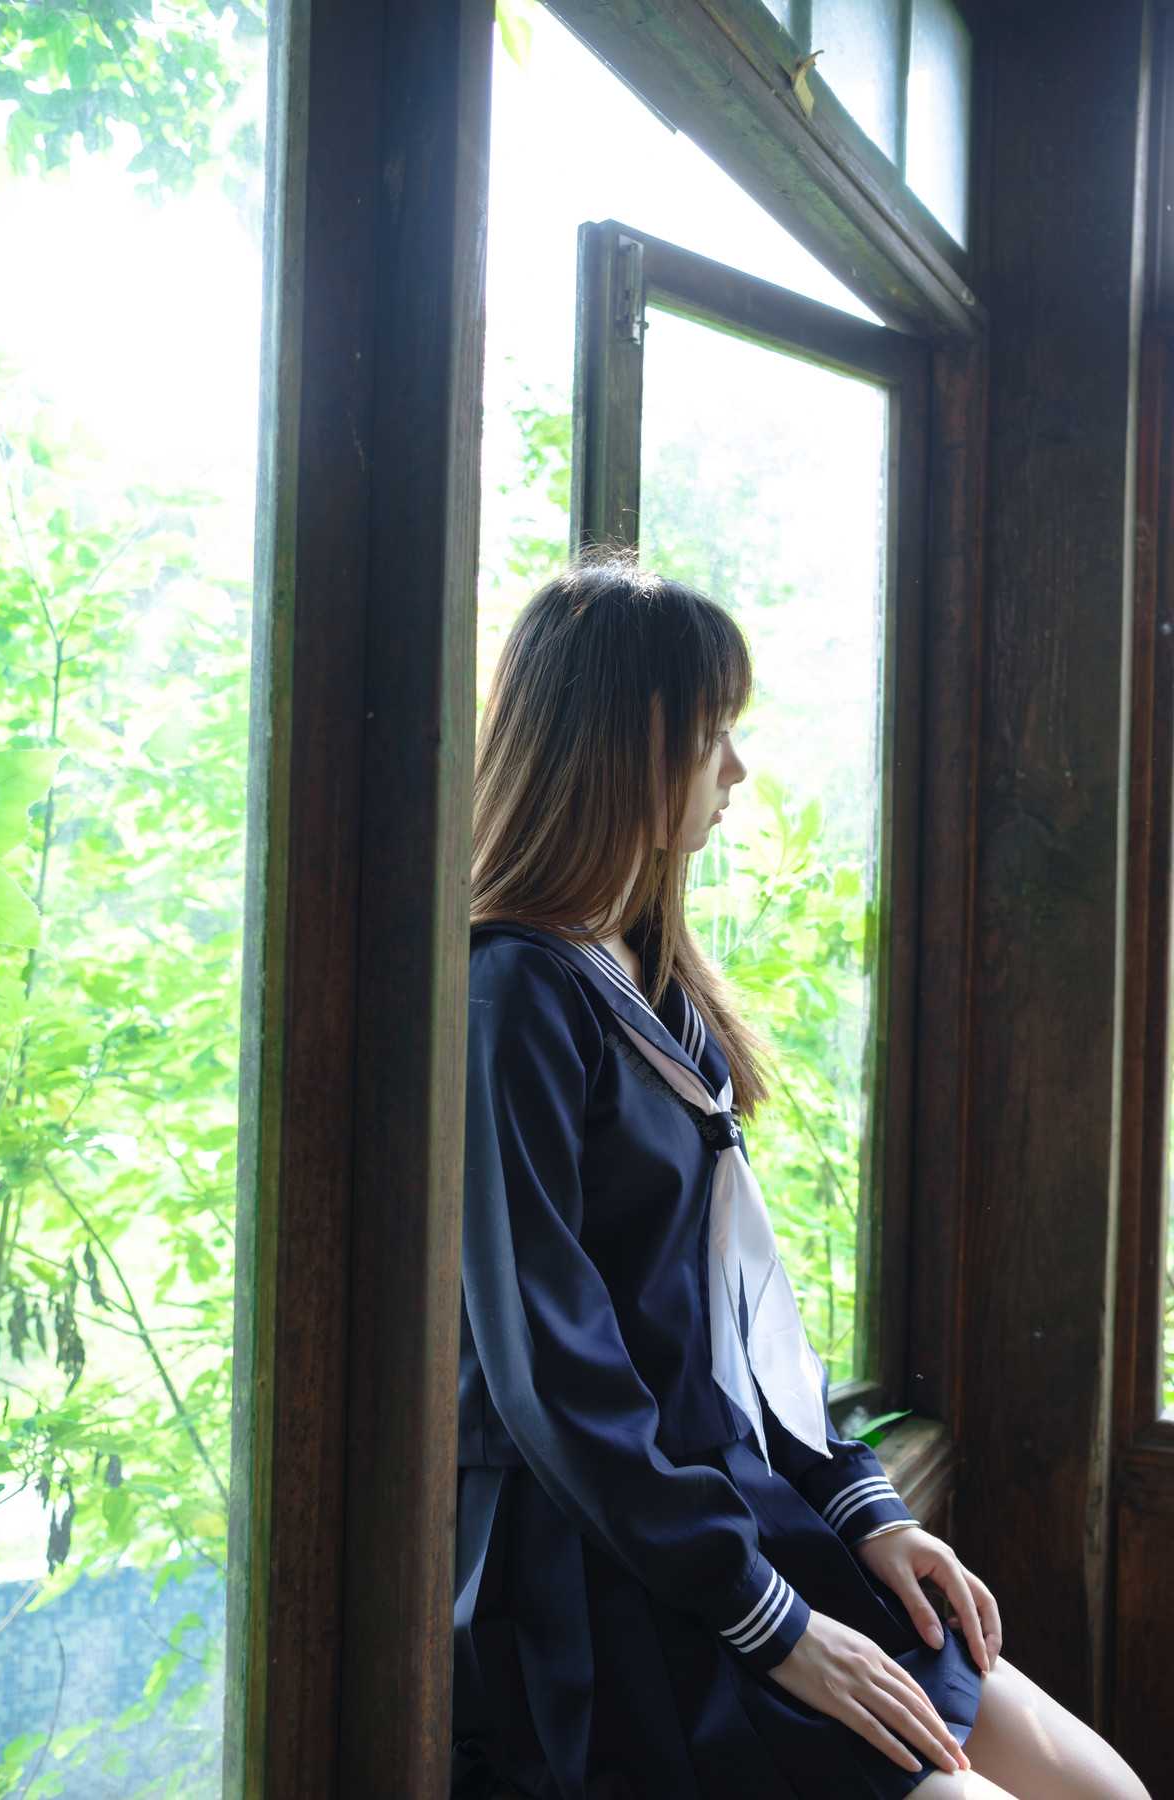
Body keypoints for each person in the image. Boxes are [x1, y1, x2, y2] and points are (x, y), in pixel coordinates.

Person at [451, 549, 1149, 1800]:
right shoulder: (513, 995)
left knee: (1105, 1789)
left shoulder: (648, 980)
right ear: (620, 745)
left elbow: (733, 1318)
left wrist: (864, 1503)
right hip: (616, 1578)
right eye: (710, 734)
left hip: (739, 1518)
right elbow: (552, 1373)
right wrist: (770, 1622)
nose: (736, 770)